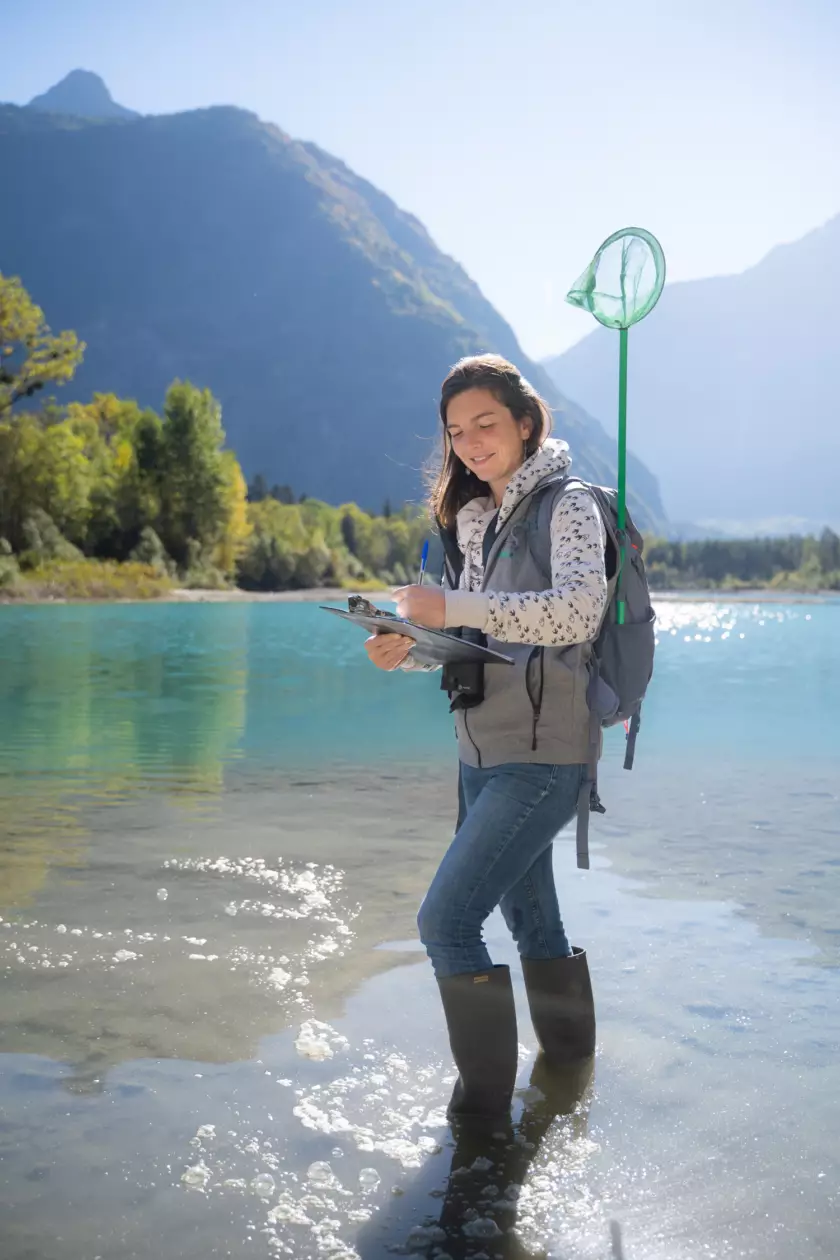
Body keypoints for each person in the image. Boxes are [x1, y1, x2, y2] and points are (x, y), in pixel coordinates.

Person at [364, 354, 609, 1126]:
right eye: (455, 431)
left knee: (445, 921)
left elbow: (576, 616)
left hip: (543, 757)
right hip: (478, 751)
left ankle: (480, 1118)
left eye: (486, 424)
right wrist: (408, 647)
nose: (469, 443)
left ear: (527, 424)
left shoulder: (568, 506)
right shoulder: (476, 520)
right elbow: (478, 639)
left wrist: (457, 605)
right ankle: (571, 1077)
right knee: (532, 920)